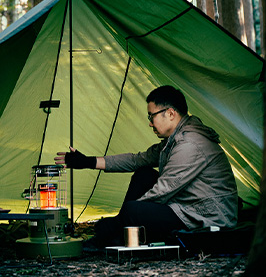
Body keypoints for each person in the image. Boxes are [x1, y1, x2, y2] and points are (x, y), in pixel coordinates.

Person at [55, 85, 238, 248]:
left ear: (171, 113)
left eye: (152, 116)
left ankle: (114, 234)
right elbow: (137, 160)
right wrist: (88, 162)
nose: (149, 122)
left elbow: (162, 191)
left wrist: (123, 218)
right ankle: (120, 234)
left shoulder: (189, 144)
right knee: (144, 174)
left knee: (133, 210)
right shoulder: (174, 140)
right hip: (185, 206)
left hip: (205, 216)